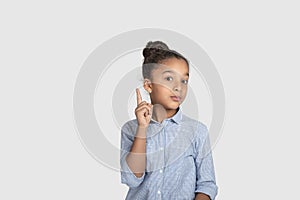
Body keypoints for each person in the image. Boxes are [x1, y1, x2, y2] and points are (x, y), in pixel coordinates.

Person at [120, 41, 218, 200]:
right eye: (169, 78)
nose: (178, 87)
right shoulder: (131, 129)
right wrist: (142, 129)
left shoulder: (197, 131)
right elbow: (132, 179)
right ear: (148, 85)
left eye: (184, 80)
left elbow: (207, 185)